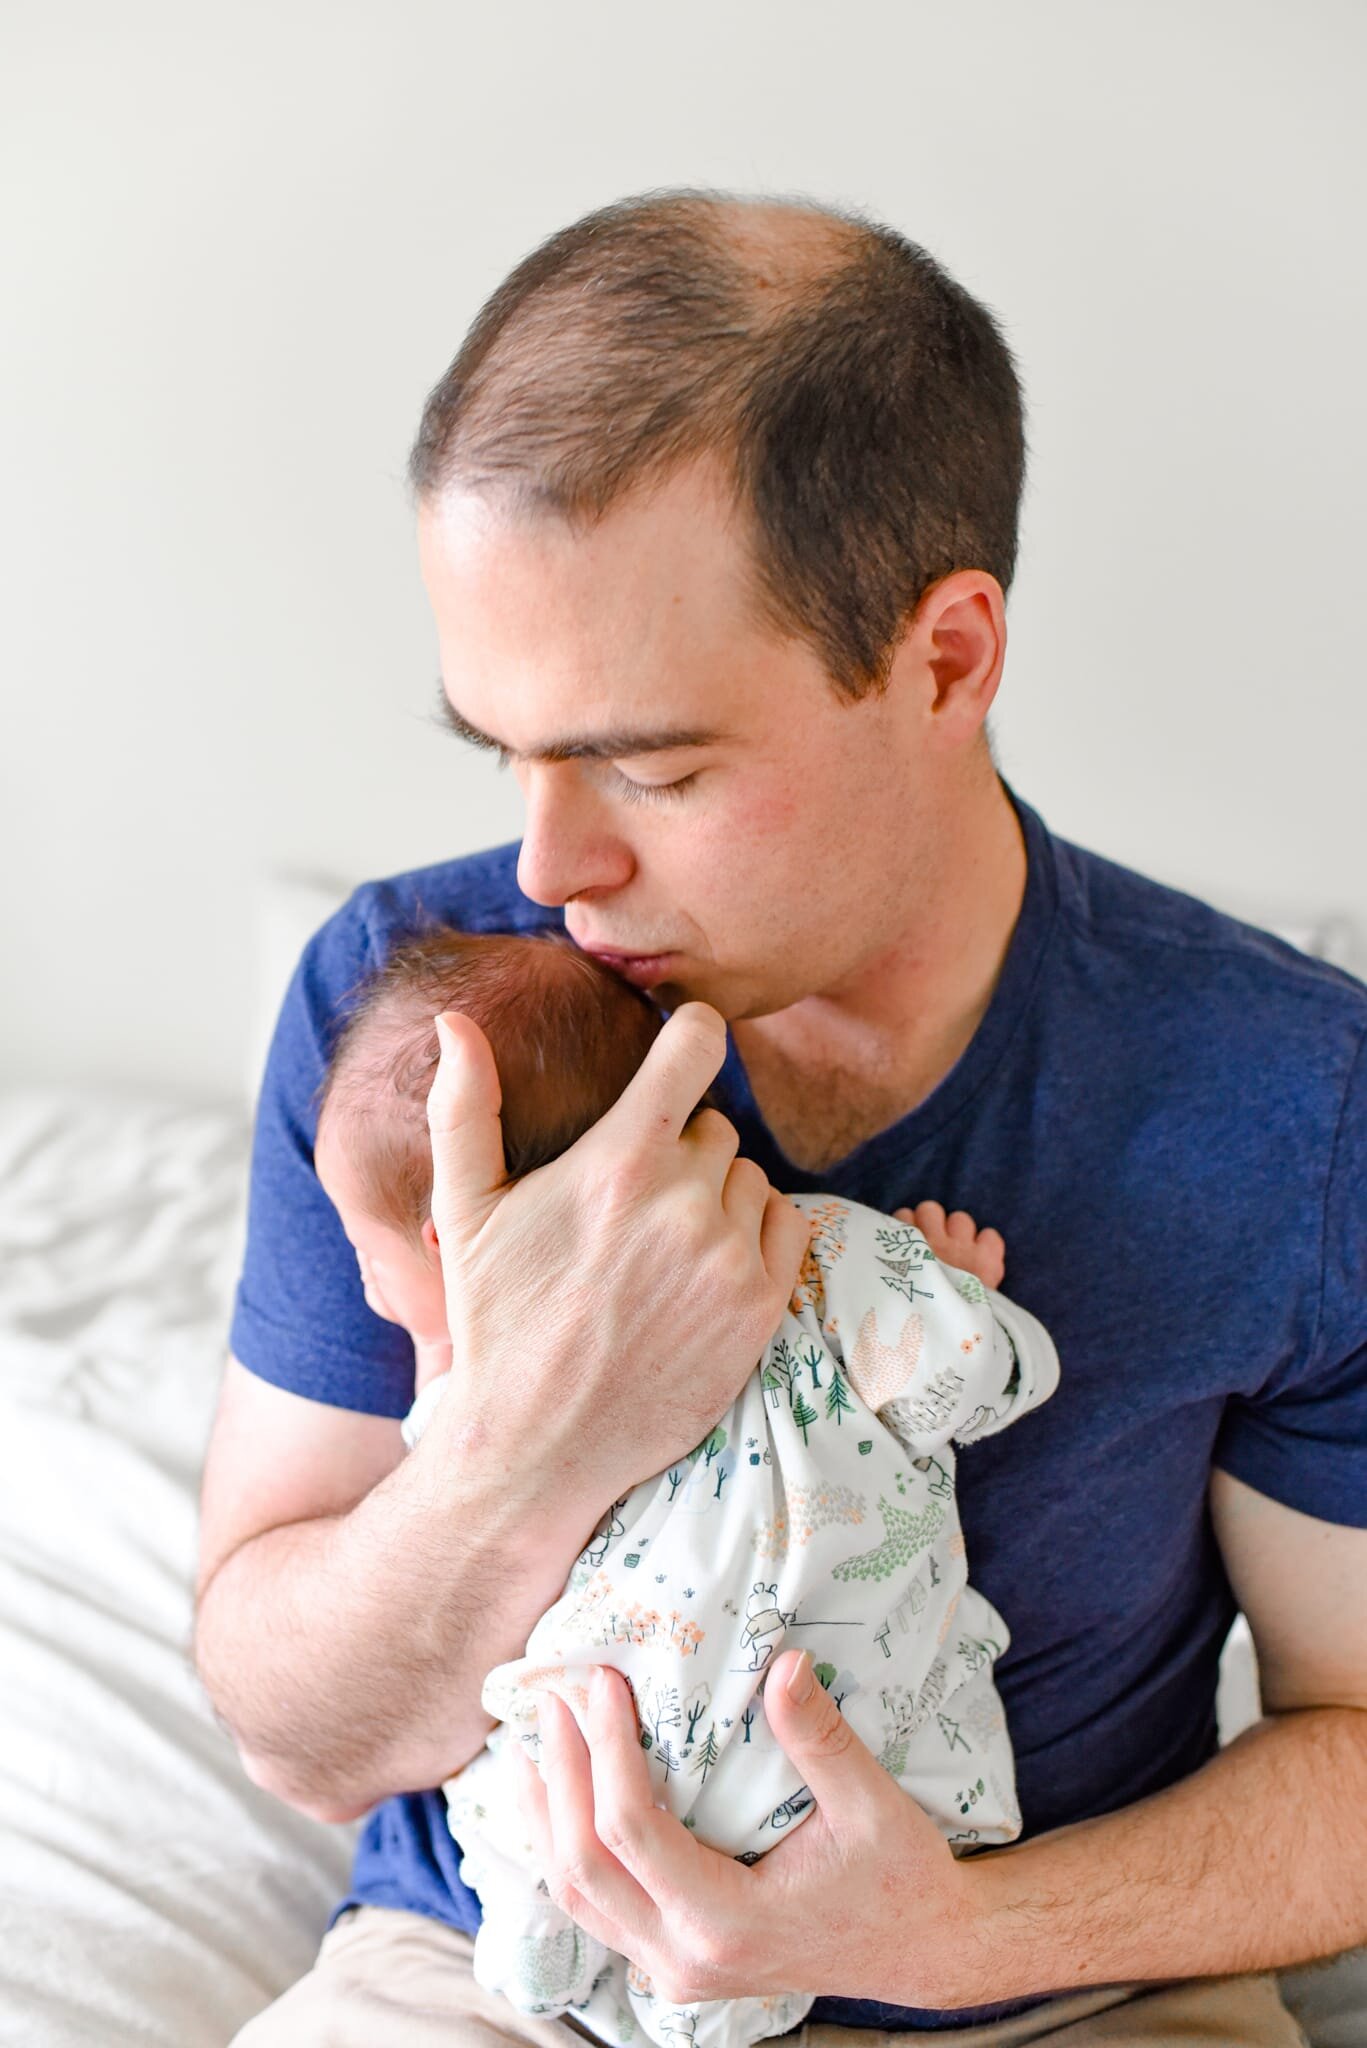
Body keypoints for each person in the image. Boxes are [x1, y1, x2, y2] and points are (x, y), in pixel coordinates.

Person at [196, 189, 1367, 2047]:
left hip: (1061, 1985)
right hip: (502, 1975)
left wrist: (962, 1933)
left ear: (945, 658)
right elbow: (293, 1730)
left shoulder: (1287, 1101)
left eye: (650, 765)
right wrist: (530, 1439)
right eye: (503, 748)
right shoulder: (422, 1028)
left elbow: (1353, 1743)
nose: (548, 865)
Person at [307, 921, 1059, 2048]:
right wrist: (955, 1295)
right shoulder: (809, 1246)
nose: (366, 1292)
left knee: (519, 1773)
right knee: (896, 1729)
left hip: (605, 1763)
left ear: (443, 1230)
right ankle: (705, 1985)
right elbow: (977, 1380)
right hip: (823, 1742)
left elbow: (448, 1531)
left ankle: (546, 1930)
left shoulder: (465, 1396)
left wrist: (454, 1377)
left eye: (370, 1260)